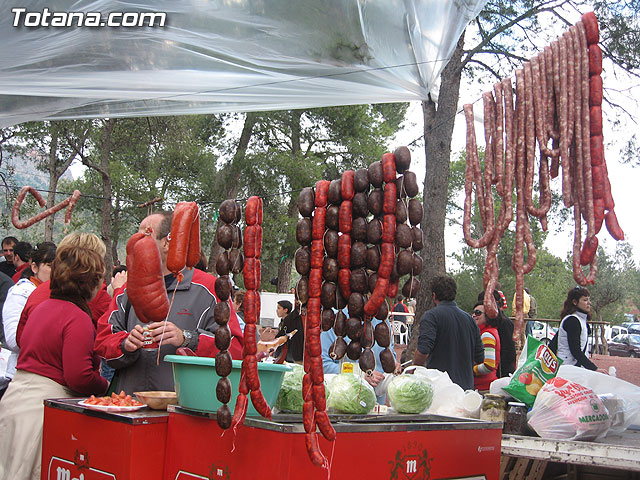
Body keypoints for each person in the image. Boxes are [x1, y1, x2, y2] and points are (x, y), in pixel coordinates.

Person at [94, 211, 244, 394]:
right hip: (131, 407)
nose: (136, 241)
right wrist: (125, 344)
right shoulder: (128, 289)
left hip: (187, 410)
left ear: (167, 242)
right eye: (137, 233)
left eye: (146, 234)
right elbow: (102, 341)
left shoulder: (208, 288)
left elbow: (236, 348)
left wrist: (188, 338)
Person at [0, 242, 109, 480]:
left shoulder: (43, 307)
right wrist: (106, 388)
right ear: (89, 282)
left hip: (14, 399)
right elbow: (78, 376)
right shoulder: (77, 318)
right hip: (42, 410)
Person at [15, 233, 113, 347]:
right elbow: (110, 334)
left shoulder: (39, 290)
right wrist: (118, 292)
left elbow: (20, 338)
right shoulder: (93, 293)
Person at [1, 242, 56, 395]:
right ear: (34, 267)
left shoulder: (59, 295)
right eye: (50, 266)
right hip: (22, 377)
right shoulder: (21, 292)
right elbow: (13, 340)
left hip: (49, 378)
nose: (55, 272)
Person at [414, 275, 484, 391]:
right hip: (465, 389)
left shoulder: (431, 317)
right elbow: (480, 357)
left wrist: (414, 368)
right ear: (454, 294)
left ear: (434, 296)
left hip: (440, 389)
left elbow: (423, 351)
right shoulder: (470, 320)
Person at [321, 316, 397, 404]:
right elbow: (323, 363)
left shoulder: (382, 320)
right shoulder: (336, 318)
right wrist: (359, 375)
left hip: (376, 402)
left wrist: (394, 366)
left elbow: (390, 353)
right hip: (344, 400)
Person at [551, 286, 597, 370]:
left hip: (571, 367)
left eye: (589, 300)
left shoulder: (578, 320)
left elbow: (553, 344)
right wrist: (594, 368)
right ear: (575, 302)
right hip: (569, 368)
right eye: (585, 300)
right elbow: (575, 350)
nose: (589, 303)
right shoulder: (573, 321)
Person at [478, 289, 516, 378]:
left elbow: (509, 353)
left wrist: (498, 374)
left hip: (501, 374)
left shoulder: (504, 323)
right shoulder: (485, 324)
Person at [471, 302, 500, 391]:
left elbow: (489, 366)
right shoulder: (487, 332)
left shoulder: (486, 335)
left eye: (478, 313)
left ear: (488, 315)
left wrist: (470, 370)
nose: (473, 315)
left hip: (484, 387)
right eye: (473, 312)